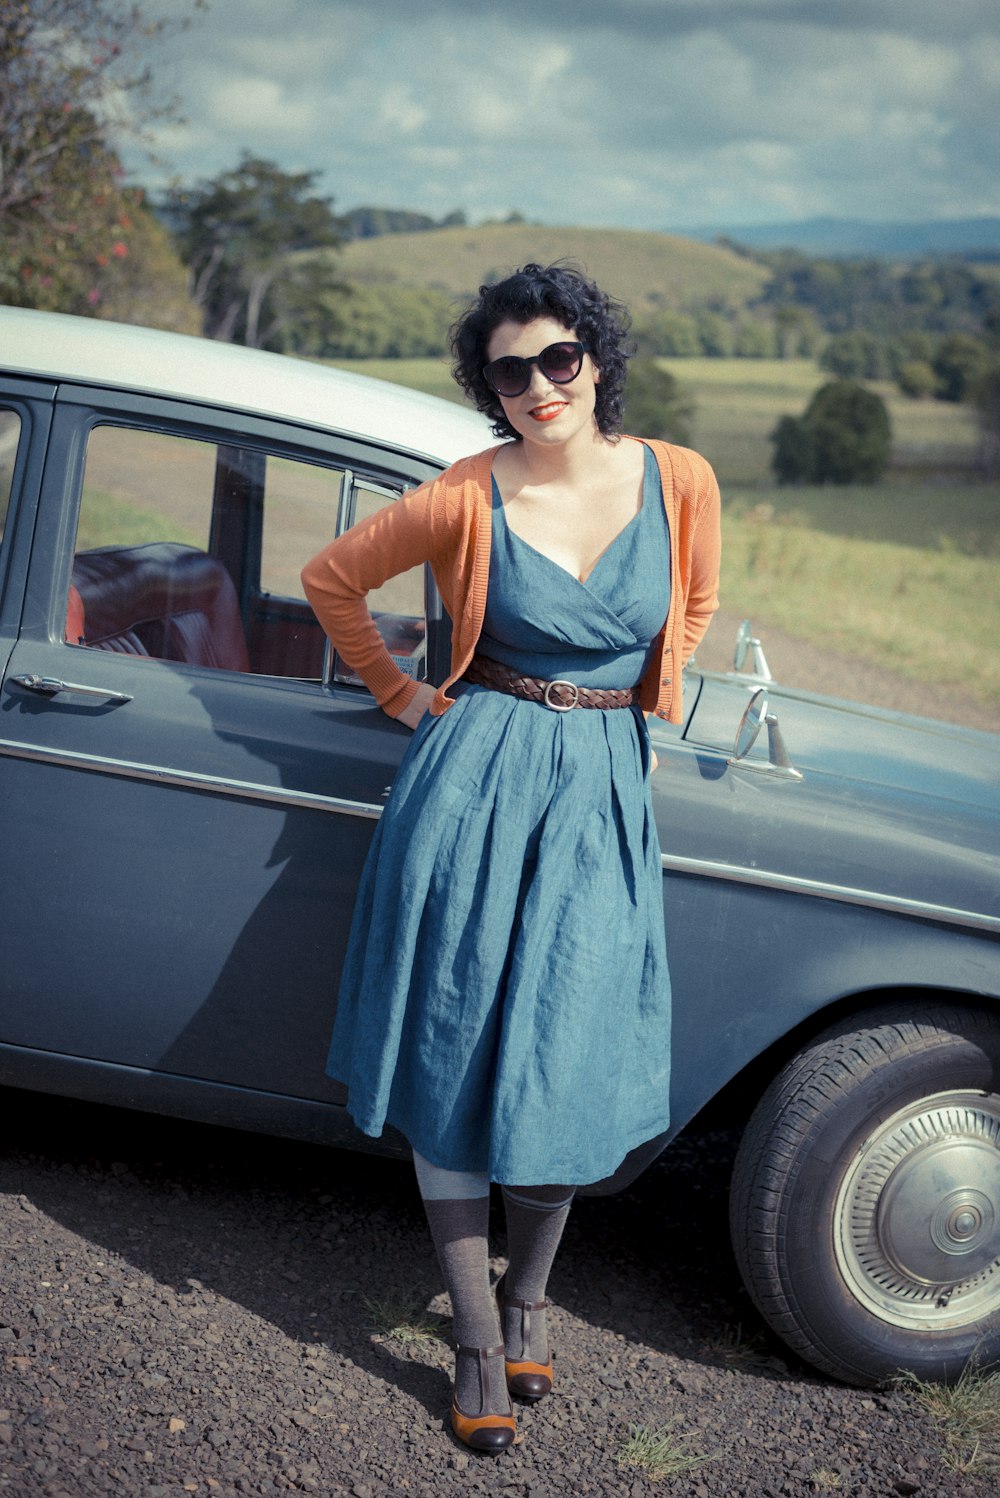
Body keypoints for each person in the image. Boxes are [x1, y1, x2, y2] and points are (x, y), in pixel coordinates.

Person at [301, 263, 721, 1455]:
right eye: (508, 369)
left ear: (593, 357)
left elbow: (692, 603)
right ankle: (480, 1333)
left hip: (597, 788)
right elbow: (332, 579)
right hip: (473, 779)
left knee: (569, 1043)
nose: (537, 385)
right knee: (453, 1039)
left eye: (557, 359)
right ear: (485, 385)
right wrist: (396, 690)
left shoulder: (677, 478)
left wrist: (648, 701)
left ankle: (534, 1290)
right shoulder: (465, 494)